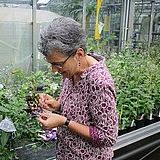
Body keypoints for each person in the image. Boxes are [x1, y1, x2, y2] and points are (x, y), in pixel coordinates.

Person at [37, 16, 118, 160]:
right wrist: (56, 106)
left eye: (58, 64)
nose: (54, 70)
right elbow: (78, 110)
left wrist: (64, 122)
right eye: (51, 64)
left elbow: (107, 137)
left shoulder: (99, 83)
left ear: (79, 54)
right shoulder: (72, 70)